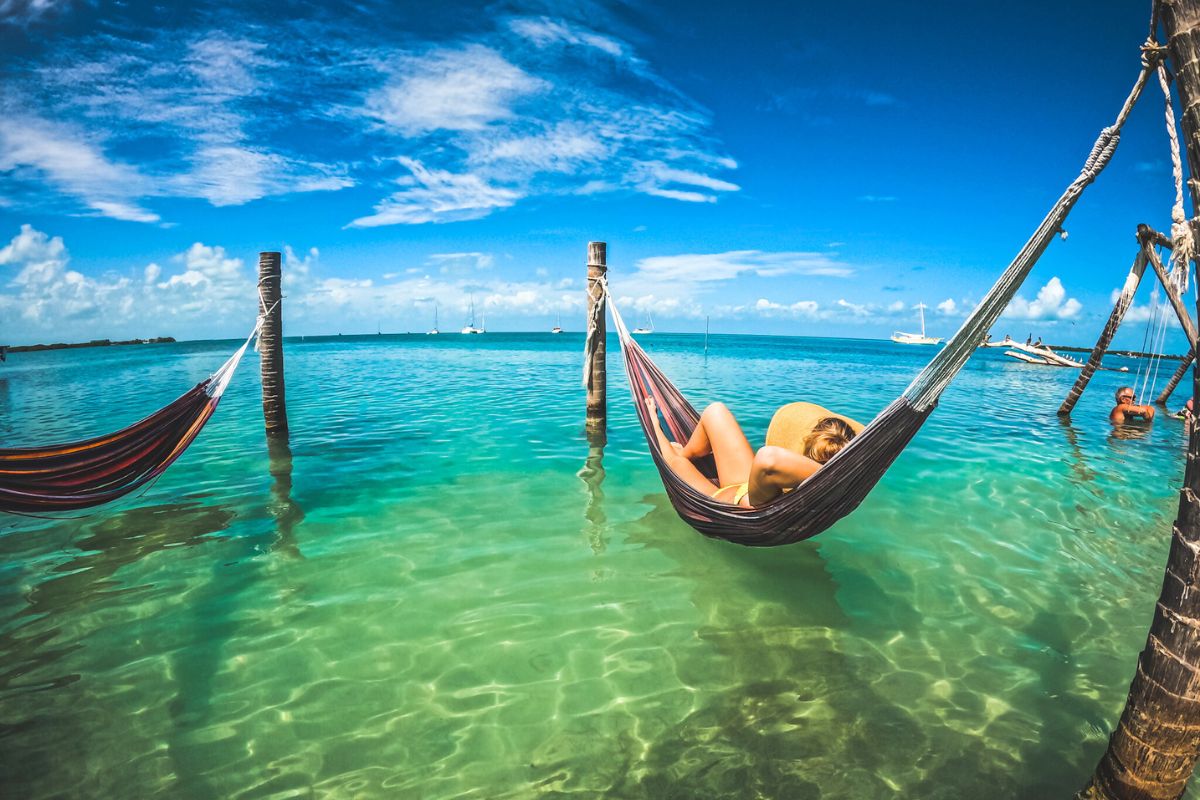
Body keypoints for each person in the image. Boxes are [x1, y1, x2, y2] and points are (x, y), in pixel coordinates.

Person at [645, 399, 859, 507]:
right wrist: (840, 470)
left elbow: (768, 458)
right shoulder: (803, 481)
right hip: (746, 484)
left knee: (673, 459)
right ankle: (688, 453)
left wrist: (654, 423)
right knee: (715, 410)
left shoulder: (779, 468)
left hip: (723, 500)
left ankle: (684, 454)